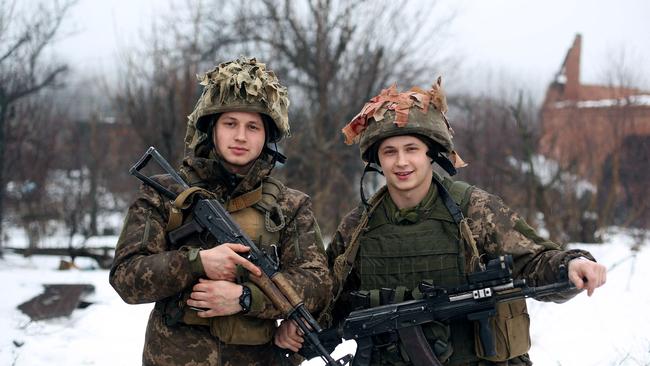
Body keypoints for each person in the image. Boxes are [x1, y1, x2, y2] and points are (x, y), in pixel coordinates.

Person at [274, 78, 606, 365]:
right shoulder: (359, 226)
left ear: (431, 154)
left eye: (411, 149)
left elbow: (532, 261)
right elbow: (330, 296)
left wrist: (571, 265)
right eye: (390, 152)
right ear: (377, 160)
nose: (402, 162)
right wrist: (299, 327)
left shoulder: (474, 209)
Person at [110, 57, 332, 366]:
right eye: (230, 124)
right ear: (211, 129)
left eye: (253, 126)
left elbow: (318, 285)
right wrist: (196, 263)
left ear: (267, 136)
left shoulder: (290, 206)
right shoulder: (165, 193)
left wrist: (244, 298)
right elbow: (126, 277)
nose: (241, 136)